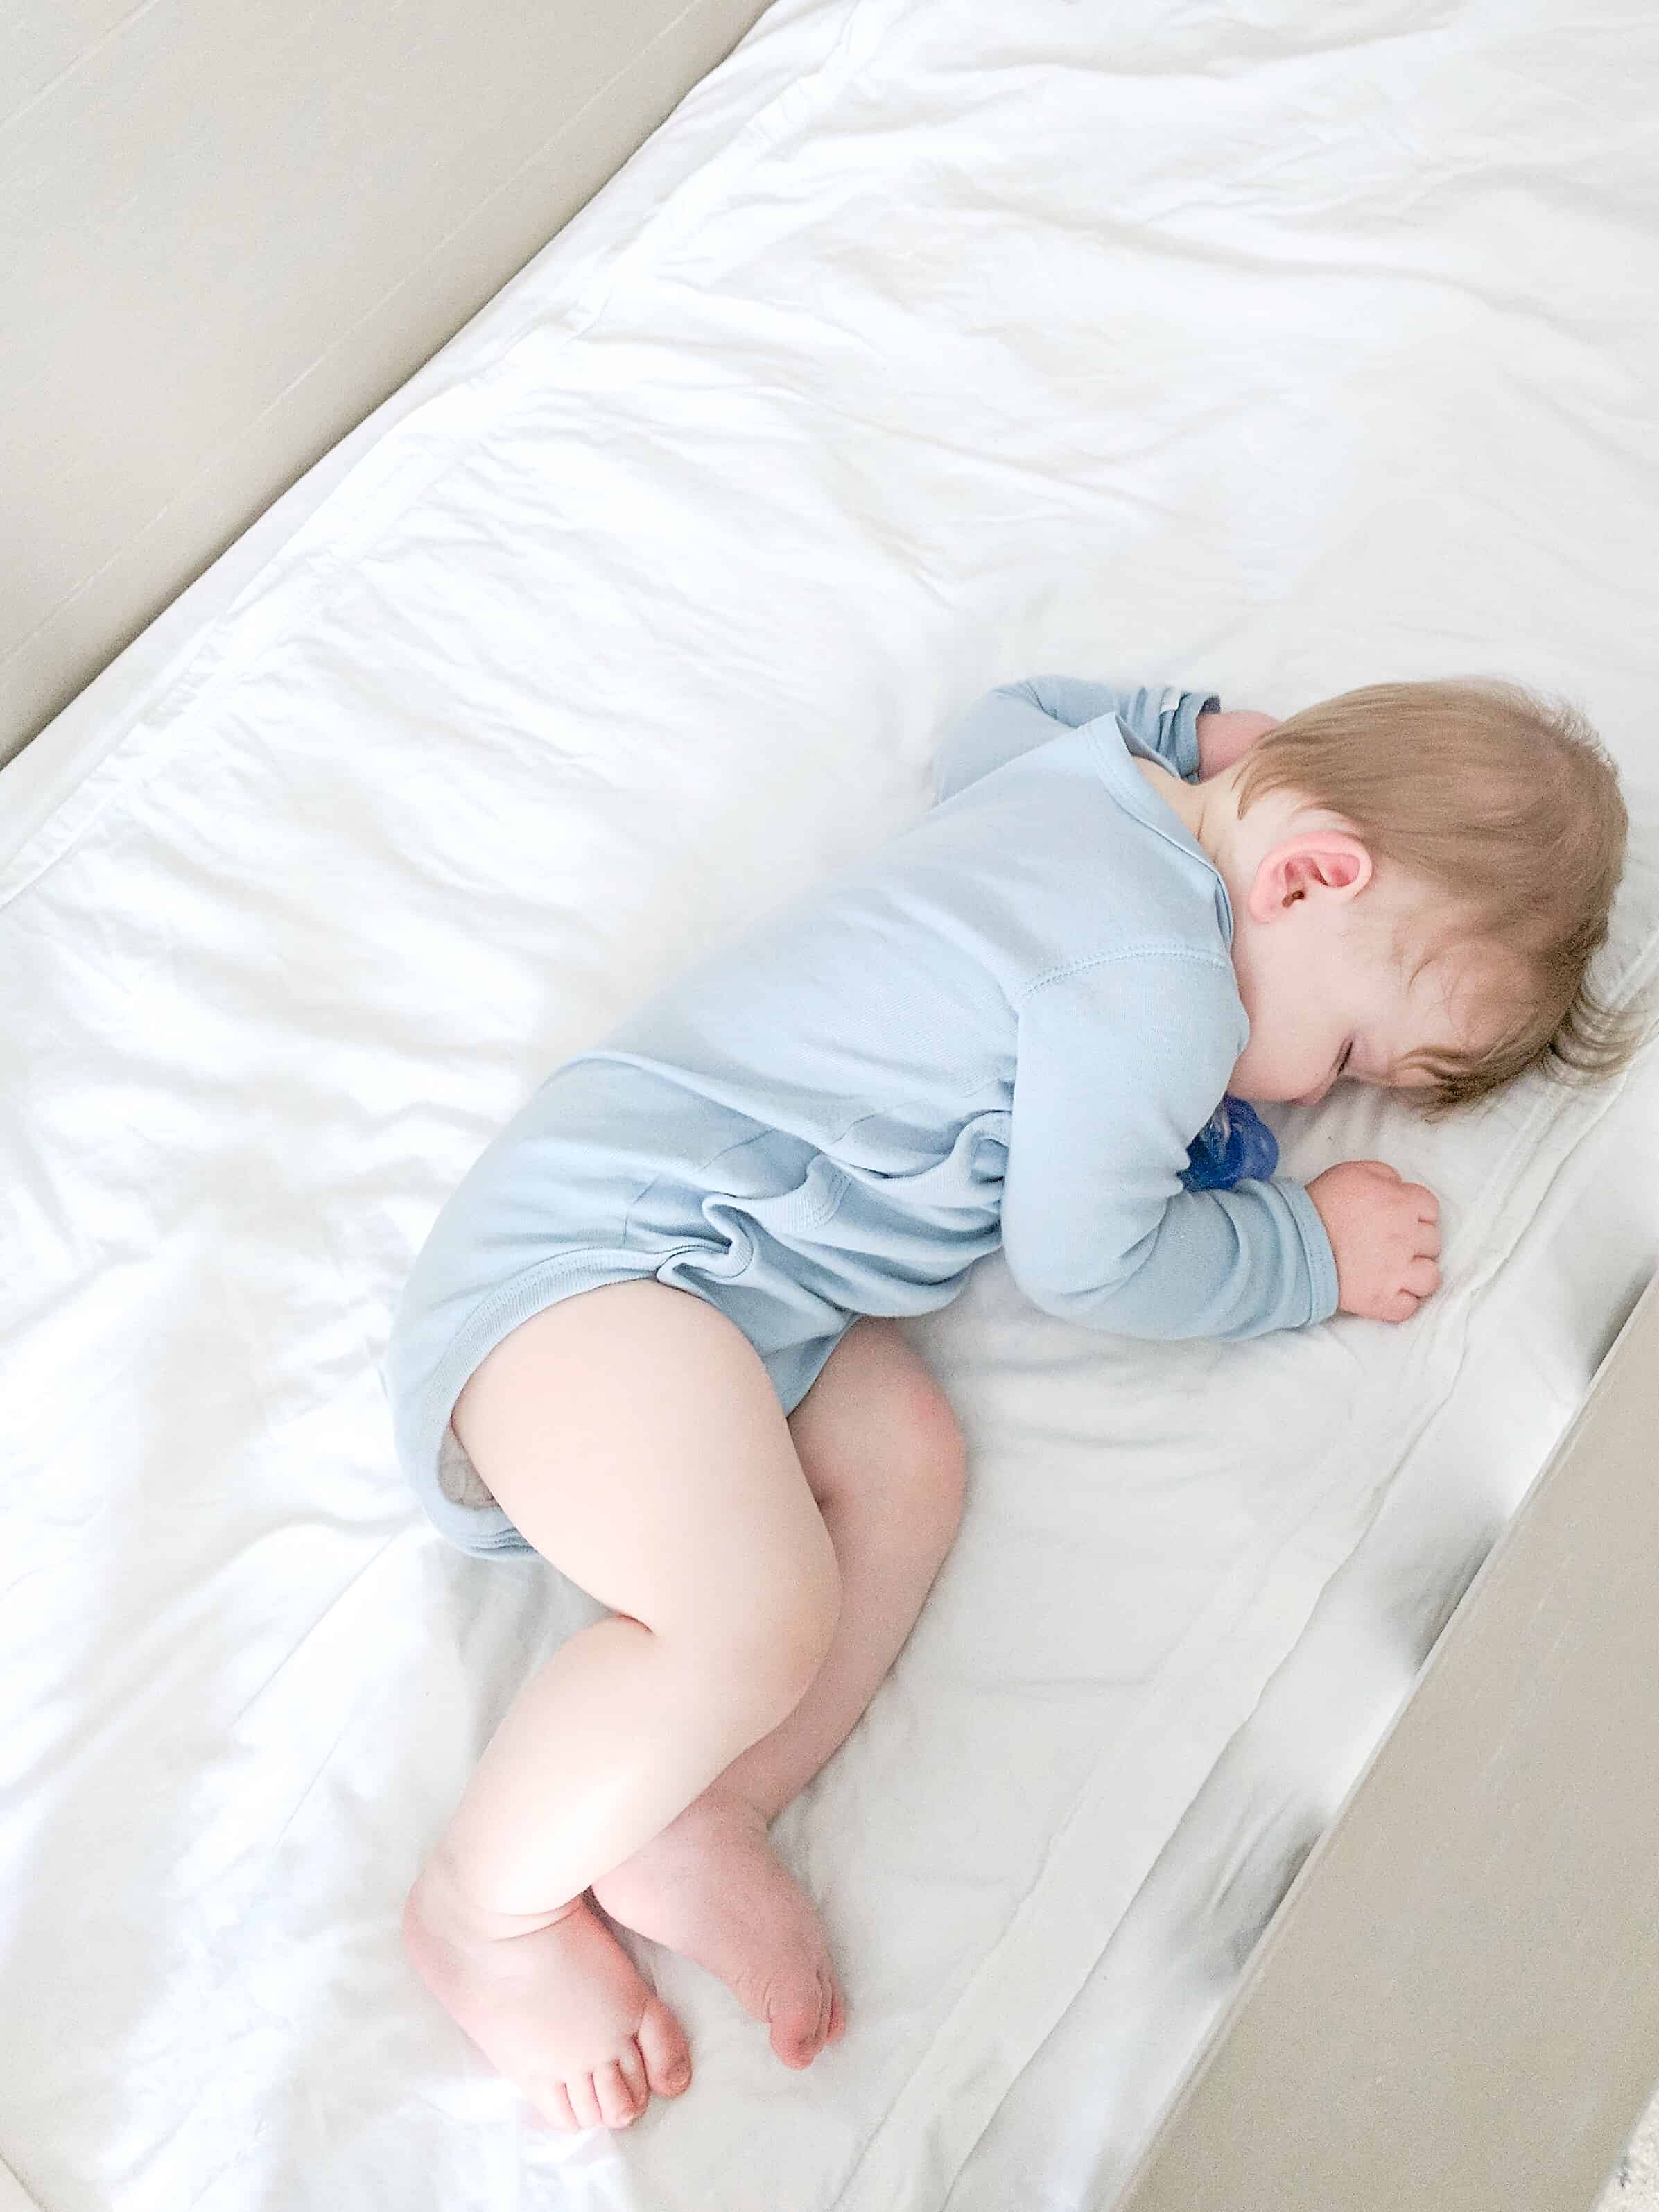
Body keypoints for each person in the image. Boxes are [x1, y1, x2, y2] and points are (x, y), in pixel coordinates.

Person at [383, 671, 1636, 2132]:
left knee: (905, 1452)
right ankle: (482, 1902)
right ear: (1305, 875)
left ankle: (704, 1800)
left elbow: (988, 719)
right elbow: (1089, 1254)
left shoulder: (1080, 779)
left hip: (719, 1297)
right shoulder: (1162, 979)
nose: (1311, 1096)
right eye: (1350, 1051)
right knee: (749, 1609)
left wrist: (1204, 736)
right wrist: (1307, 1247)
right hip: (590, 1279)